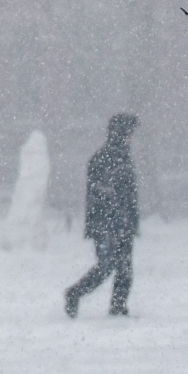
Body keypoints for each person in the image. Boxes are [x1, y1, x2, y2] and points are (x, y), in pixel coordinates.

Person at [64, 113, 142, 318]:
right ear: (123, 132)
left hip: (120, 222)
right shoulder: (104, 158)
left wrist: (130, 219)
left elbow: (126, 193)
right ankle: (75, 293)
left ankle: (118, 307)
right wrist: (115, 215)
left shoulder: (122, 156)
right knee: (107, 265)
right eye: (130, 131)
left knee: (124, 268)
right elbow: (100, 193)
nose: (132, 136)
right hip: (106, 223)